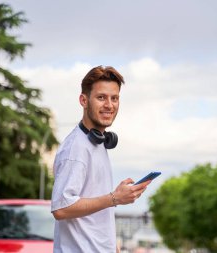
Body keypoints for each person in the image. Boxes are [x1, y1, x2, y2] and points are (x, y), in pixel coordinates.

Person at [51, 65, 151, 253]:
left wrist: (112, 245)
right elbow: (61, 208)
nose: (109, 105)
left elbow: (93, 210)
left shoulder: (97, 144)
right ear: (84, 100)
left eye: (114, 98)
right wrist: (115, 198)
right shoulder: (76, 148)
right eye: (101, 97)